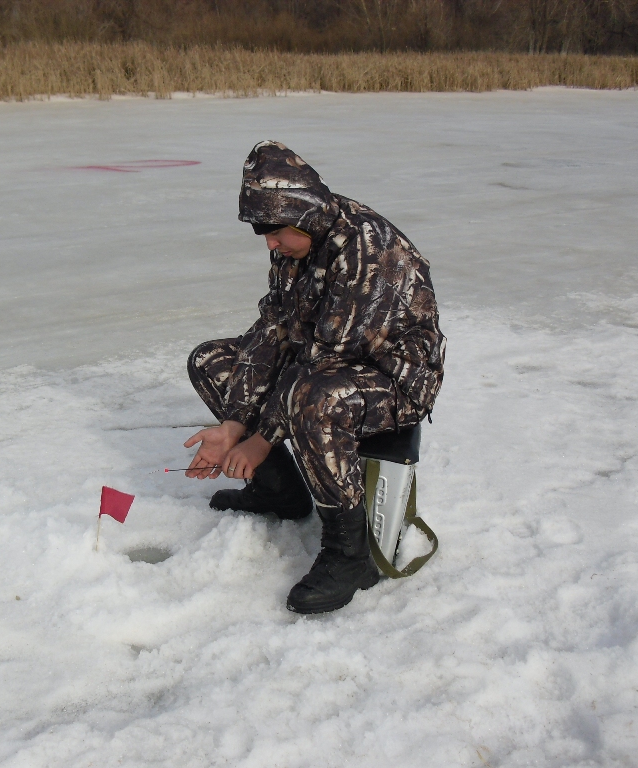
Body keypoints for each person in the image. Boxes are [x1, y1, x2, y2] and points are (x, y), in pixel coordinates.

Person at [184, 140, 446, 614]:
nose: (268, 241)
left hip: (393, 378)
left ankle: (351, 555)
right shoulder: (293, 249)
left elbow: (323, 361)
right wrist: (233, 426)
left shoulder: (370, 251)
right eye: (260, 229)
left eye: (272, 228)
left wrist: (259, 439)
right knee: (211, 360)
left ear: (302, 213)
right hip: (322, 361)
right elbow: (273, 330)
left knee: (312, 396)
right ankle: (279, 492)